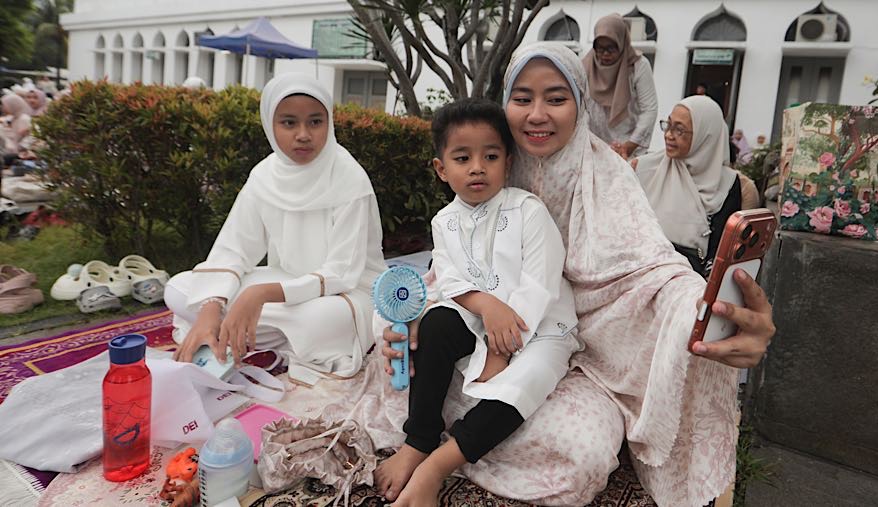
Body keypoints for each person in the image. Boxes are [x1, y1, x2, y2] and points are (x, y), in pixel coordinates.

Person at [378, 43, 775, 507]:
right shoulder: (489, 165)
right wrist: (409, 319)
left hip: (582, 355)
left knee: (580, 454)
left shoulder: (606, 176)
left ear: (581, 104)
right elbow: (455, 262)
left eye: (557, 98)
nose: (537, 115)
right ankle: (428, 440)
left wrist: (707, 309)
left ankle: (449, 453)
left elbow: (654, 270)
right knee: (406, 359)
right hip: (480, 336)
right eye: (522, 98)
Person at [374, 99, 581, 505]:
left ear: (507, 161)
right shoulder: (443, 221)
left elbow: (539, 284)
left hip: (541, 328)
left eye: (490, 156)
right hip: (477, 318)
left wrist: (502, 350)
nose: (477, 168)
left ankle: (437, 466)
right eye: (462, 157)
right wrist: (484, 306)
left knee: (529, 379)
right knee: (434, 326)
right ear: (441, 169)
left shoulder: (528, 211)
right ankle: (419, 439)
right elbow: (449, 276)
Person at [164, 73, 387, 385]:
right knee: (178, 289)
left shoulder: (350, 178)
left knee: (319, 320)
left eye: (315, 122)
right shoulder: (264, 175)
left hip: (345, 294)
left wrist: (260, 295)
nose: (303, 135)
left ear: (329, 123)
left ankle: (247, 331)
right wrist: (212, 307)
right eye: (289, 123)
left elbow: (342, 272)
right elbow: (234, 248)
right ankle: (246, 330)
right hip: (288, 283)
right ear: (270, 125)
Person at [633, 96, 744, 278]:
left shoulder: (727, 183)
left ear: (705, 136)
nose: (668, 135)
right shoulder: (645, 169)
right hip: (640, 271)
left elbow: (721, 250)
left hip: (690, 281)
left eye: (679, 130)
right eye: (668, 125)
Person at [583, 14, 657, 159]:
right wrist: (588, 142)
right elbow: (580, 108)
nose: (604, 54)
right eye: (599, 48)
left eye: (611, 48)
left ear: (622, 43)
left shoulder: (638, 66)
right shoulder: (586, 66)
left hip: (627, 148)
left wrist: (630, 145)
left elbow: (649, 110)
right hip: (592, 148)